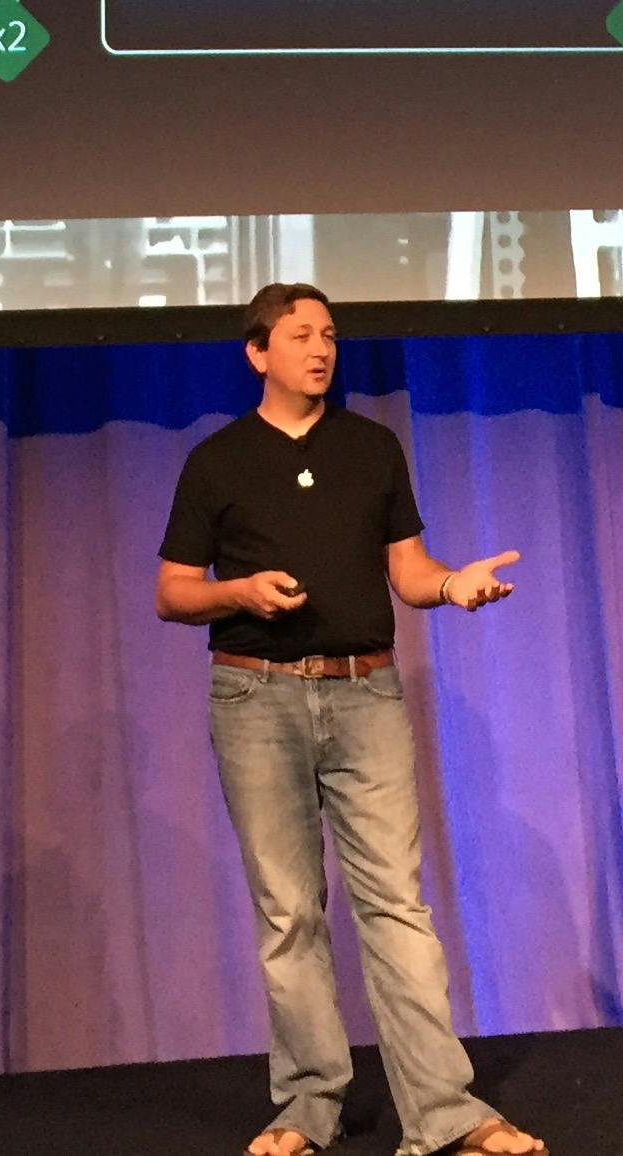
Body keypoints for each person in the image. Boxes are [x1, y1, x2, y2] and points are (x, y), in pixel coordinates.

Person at [155, 283, 548, 1156]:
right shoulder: (216, 460)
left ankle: (444, 1112)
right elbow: (171, 592)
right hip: (255, 697)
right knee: (289, 913)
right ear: (257, 353)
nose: (321, 349)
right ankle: (306, 1105)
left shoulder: (371, 448)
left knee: (395, 908)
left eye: (328, 335)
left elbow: (407, 571)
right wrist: (238, 591)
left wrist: (451, 585)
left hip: (364, 694)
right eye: (300, 336)